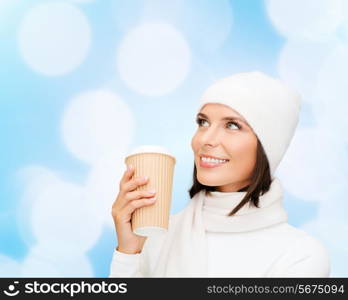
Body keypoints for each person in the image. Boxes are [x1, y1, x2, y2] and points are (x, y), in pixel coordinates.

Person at [109, 71, 331, 277]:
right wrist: (129, 253)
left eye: (233, 126)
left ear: (268, 146)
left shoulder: (301, 255)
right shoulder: (157, 236)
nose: (205, 139)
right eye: (203, 122)